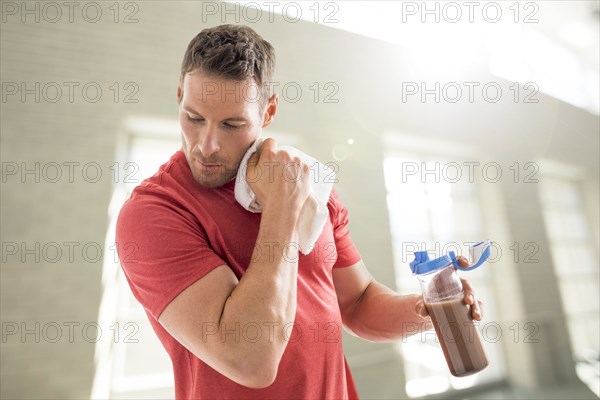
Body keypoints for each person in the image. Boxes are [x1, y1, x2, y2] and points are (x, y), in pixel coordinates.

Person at [116, 24, 483, 400]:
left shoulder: (311, 186)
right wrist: (282, 209)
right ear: (179, 97)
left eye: (231, 124)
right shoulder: (153, 214)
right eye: (194, 118)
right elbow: (250, 360)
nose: (207, 145)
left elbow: (356, 303)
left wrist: (426, 311)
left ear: (268, 111)